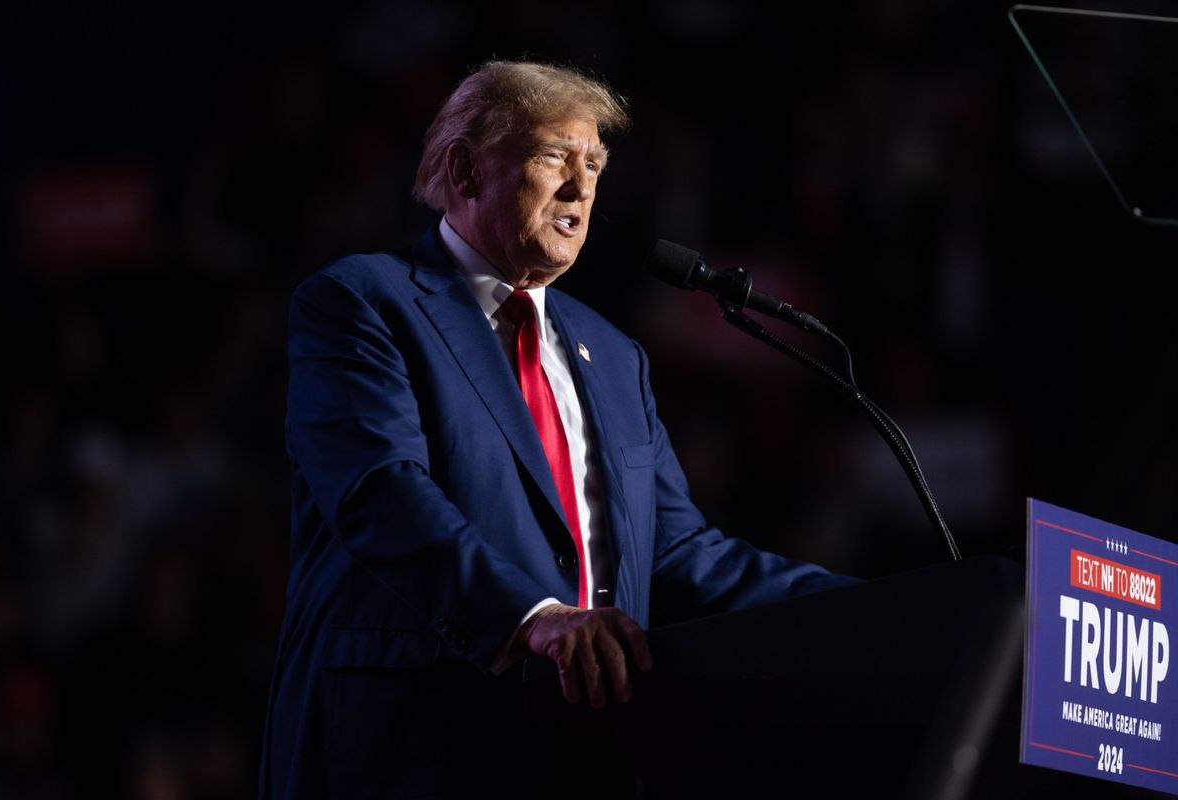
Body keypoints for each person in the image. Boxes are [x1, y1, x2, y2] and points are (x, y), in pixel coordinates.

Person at [259, 59, 855, 800]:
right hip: (410, 747)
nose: (582, 188)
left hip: (585, 760)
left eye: (595, 165)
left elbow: (681, 554)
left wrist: (873, 609)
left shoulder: (612, 355)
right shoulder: (362, 304)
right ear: (466, 169)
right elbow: (380, 493)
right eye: (554, 158)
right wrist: (534, 617)